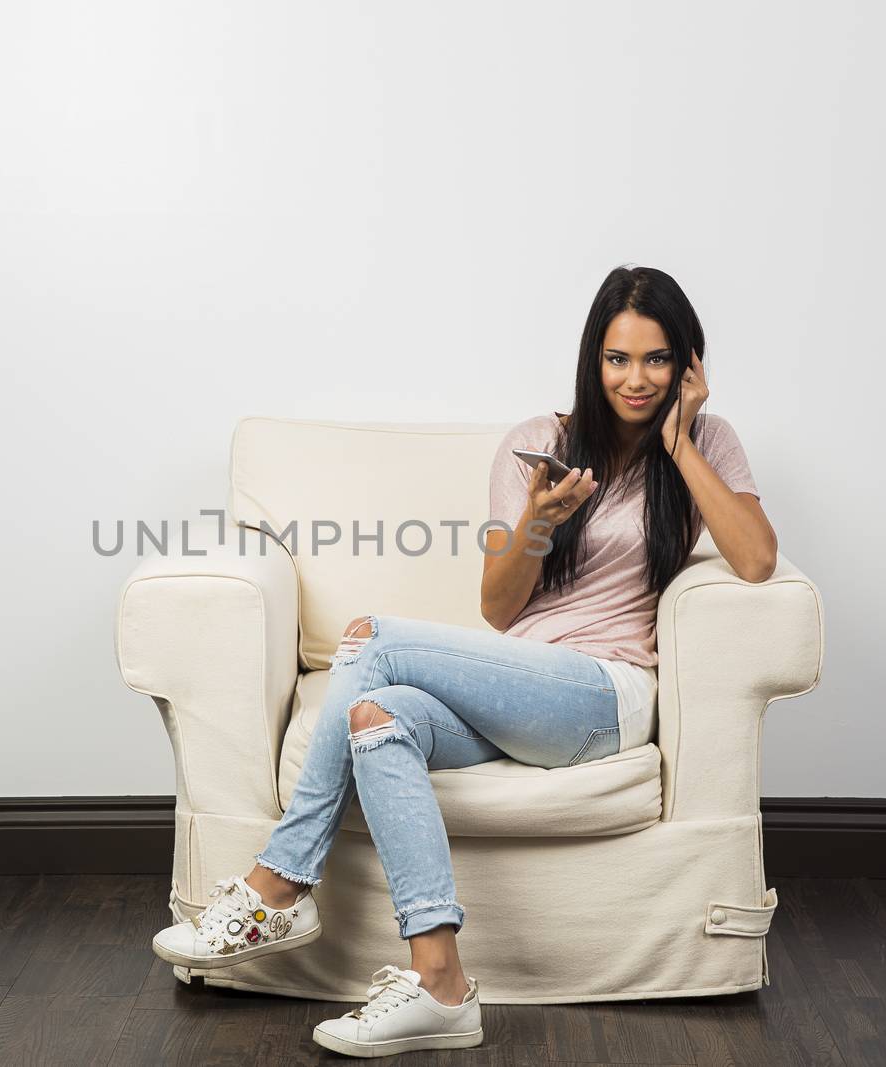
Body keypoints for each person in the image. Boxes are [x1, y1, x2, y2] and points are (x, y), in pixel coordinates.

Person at [149, 264, 779, 1059]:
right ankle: (440, 983)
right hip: (519, 689)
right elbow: (498, 608)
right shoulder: (534, 444)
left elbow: (756, 559)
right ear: (592, 360)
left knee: (371, 635)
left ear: (688, 364)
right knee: (373, 717)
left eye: (657, 359)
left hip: (601, 696)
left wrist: (680, 442)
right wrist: (538, 524)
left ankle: (279, 883)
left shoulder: (708, 444)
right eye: (618, 359)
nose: (636, 378)